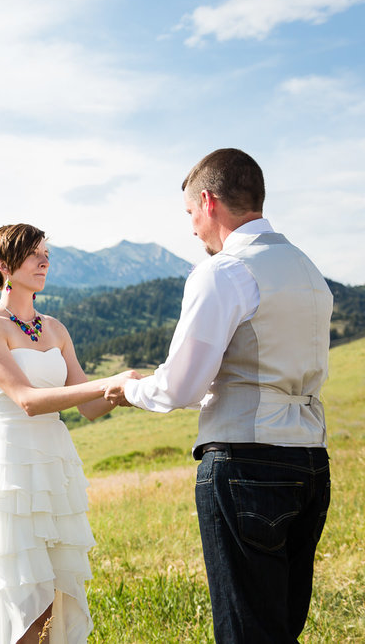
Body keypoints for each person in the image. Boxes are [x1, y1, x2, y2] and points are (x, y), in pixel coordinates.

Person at [104, 148, 333, 643]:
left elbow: (183, 386)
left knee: (246, 632)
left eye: (189, 214)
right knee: (282, 628)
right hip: (311, 462)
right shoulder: (309, 270)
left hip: (246, 464)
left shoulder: (224, 272)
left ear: (208, 202)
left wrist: (130, 389)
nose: (191, 229)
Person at [0, 224, 139, 644]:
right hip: (11, 468)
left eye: (45, 253)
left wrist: (139, 389)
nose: (44, 261)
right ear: (3, 265)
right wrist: (108, 380)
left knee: (55, 597)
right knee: (22, 597)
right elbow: (27, 399)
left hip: (54, 465)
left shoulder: (55, 328)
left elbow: (91, 407)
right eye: (33, 254)